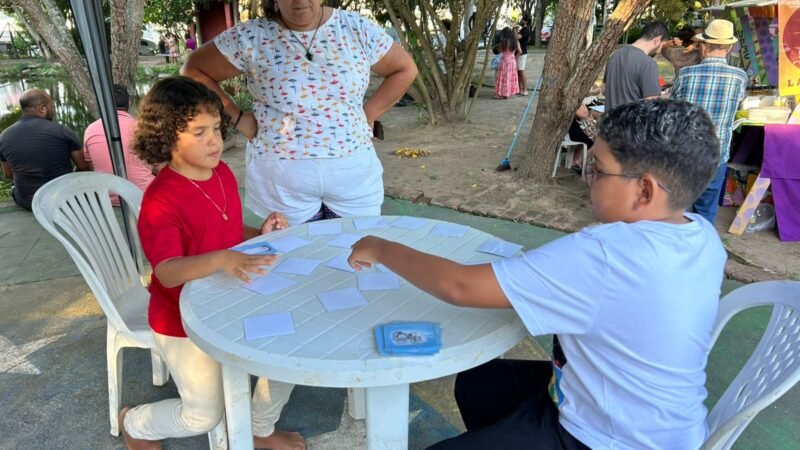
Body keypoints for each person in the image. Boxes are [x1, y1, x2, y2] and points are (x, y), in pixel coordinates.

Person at [348, 99, 727, 449]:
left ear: (644, 190)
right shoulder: (700, 233)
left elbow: (458, 285)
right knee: (479, 382)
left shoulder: (606, 254)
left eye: (597, 169)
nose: (586, 178)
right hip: (664, 422)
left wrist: (381, 247)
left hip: (606, 438)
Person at [121, 77, 303, 450]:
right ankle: (135, 423)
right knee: (203, 416)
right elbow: (168, 271)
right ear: (166, 139)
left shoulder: (219, 172)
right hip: (183, 319)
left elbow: (226, 227)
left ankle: (259, 426)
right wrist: (224, 258)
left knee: (295, 346)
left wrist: (259, 232)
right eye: (198, 132)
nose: (214, 141)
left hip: (230, 296)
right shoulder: (160, 201)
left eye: (217, 128)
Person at [181, 0, 416, 226]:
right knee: (294, 260)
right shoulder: (252, 36)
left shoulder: (356, 28)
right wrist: (238, 117)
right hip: (282, 181)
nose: (300, 1)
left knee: (357, 255)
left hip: (353, 176)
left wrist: (368, 113)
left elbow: (404, 69)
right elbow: (194, 70)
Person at [671, 19, 747, 225]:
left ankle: (673, 250)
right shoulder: (739, 77)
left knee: (676, 207)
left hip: (683, 153)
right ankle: (702, 249)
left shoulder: (686, 74)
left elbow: (672, 108)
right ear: (729, 47)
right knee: (706, 209)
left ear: (703, 46)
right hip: (716, 153)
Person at [0, 89, 89, 210]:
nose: (53, 110)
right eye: (51, 106)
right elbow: (84, 167)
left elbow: (8, 174)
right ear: (42, 108)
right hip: (63, 200)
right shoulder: (62, 131)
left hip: (28, 203)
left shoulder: (3, 136)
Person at [83, 84, 156, 203]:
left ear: (102, 104)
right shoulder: (144, 128)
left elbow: (93, 168)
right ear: (129, 102)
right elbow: (158, 168)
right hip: (143, 198)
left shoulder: (90, 130)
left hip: (107, 201)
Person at [603, 21, 669, 109]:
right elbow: (652, 104)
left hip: (610, 120)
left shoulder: (614, 56)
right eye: (662, 46)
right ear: (657, 40)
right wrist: (668, 96)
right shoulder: (648, 63)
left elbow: (604, 90)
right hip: (632, 122)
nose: (660, 51)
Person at [494, 27, 520, 99]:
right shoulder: (515, 41)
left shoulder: (504, 41)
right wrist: (514, 57)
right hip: (512, 61)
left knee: (503, 77)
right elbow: (520, 51)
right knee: (510, 77)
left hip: (505, 60)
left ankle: (501, 93)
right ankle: (508, 94)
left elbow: (500, 51)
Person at [516, 14, 532, 96]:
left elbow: (517, 37)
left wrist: (514, 29)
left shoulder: (526, 30)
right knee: (518, 72)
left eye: (522, 19)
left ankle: (525, 89)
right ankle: (519, 89)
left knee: (521, 71)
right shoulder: (523, 29)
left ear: (526, 21)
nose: (521, 20)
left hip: (522, 53)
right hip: (519, 52)